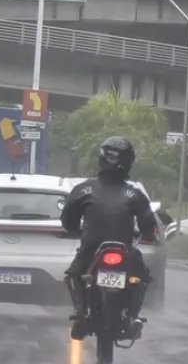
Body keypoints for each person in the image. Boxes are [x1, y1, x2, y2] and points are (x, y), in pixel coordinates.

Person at [60, 136, 157, 341]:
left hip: (91, 248)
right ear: (129, 162)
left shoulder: (83, 189)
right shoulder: (135, 193)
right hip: (125, 250)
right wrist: (148, 235)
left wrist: (77, 231)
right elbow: (148, 225)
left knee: (74, 274)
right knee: (142, 277)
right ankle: (133, 317)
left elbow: (68, 221)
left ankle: (81, 314)